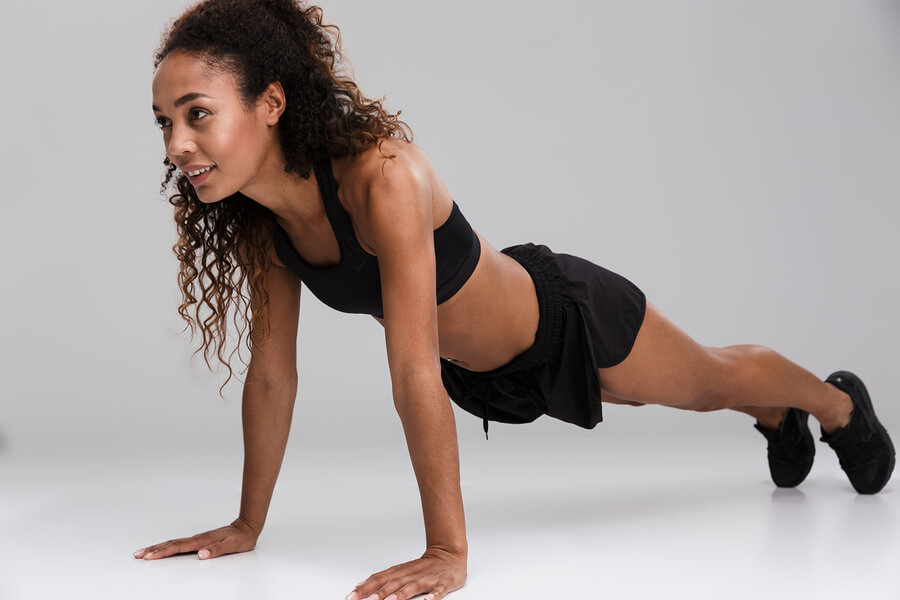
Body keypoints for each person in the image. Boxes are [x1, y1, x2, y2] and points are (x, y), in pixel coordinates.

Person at [135, 1, 896, 599]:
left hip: (567, 320)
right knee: (668, 392)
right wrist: (247, 524)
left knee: (705, 383)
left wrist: (447, 551)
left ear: (270, 101)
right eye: (166, 123)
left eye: (198, 114)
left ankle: (835, 405)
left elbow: (412, 370)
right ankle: (777, 417)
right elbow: (273, 377)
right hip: (487, 375)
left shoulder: (381, 177)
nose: (177, 145)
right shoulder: (265, 223)